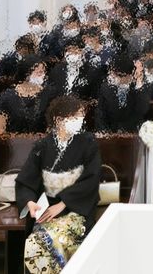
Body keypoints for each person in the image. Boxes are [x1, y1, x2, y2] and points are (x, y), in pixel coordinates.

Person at [16, 95, 100, 273]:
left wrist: (64, 203)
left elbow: (92, 178)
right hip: (48, 209)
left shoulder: (88, 143)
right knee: (35, 242)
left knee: (57, 240)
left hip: (76, 208)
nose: (80, 120)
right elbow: (27, 179)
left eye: (81, 115)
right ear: (59, 120)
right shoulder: (42, 146)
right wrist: (30, 202)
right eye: (75, 116)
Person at [0, 58, 54, 134]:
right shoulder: (8, 96)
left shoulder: (48, 94)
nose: (41, 74)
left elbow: (52, 123)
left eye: (43, 71)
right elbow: (0, 129)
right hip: (13, 139)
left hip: (41, 139)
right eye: (37, 71)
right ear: (26, 73)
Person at [95, 54, 151, 133]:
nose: (119, 78)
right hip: (110, 133)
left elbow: (143, 110)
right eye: (117, 75)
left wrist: (138, 84)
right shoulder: (105, 88)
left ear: (131, 73)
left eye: (122, 76)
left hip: (133, 132)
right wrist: (102, 131)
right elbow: (100, 113)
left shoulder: (139, 88)